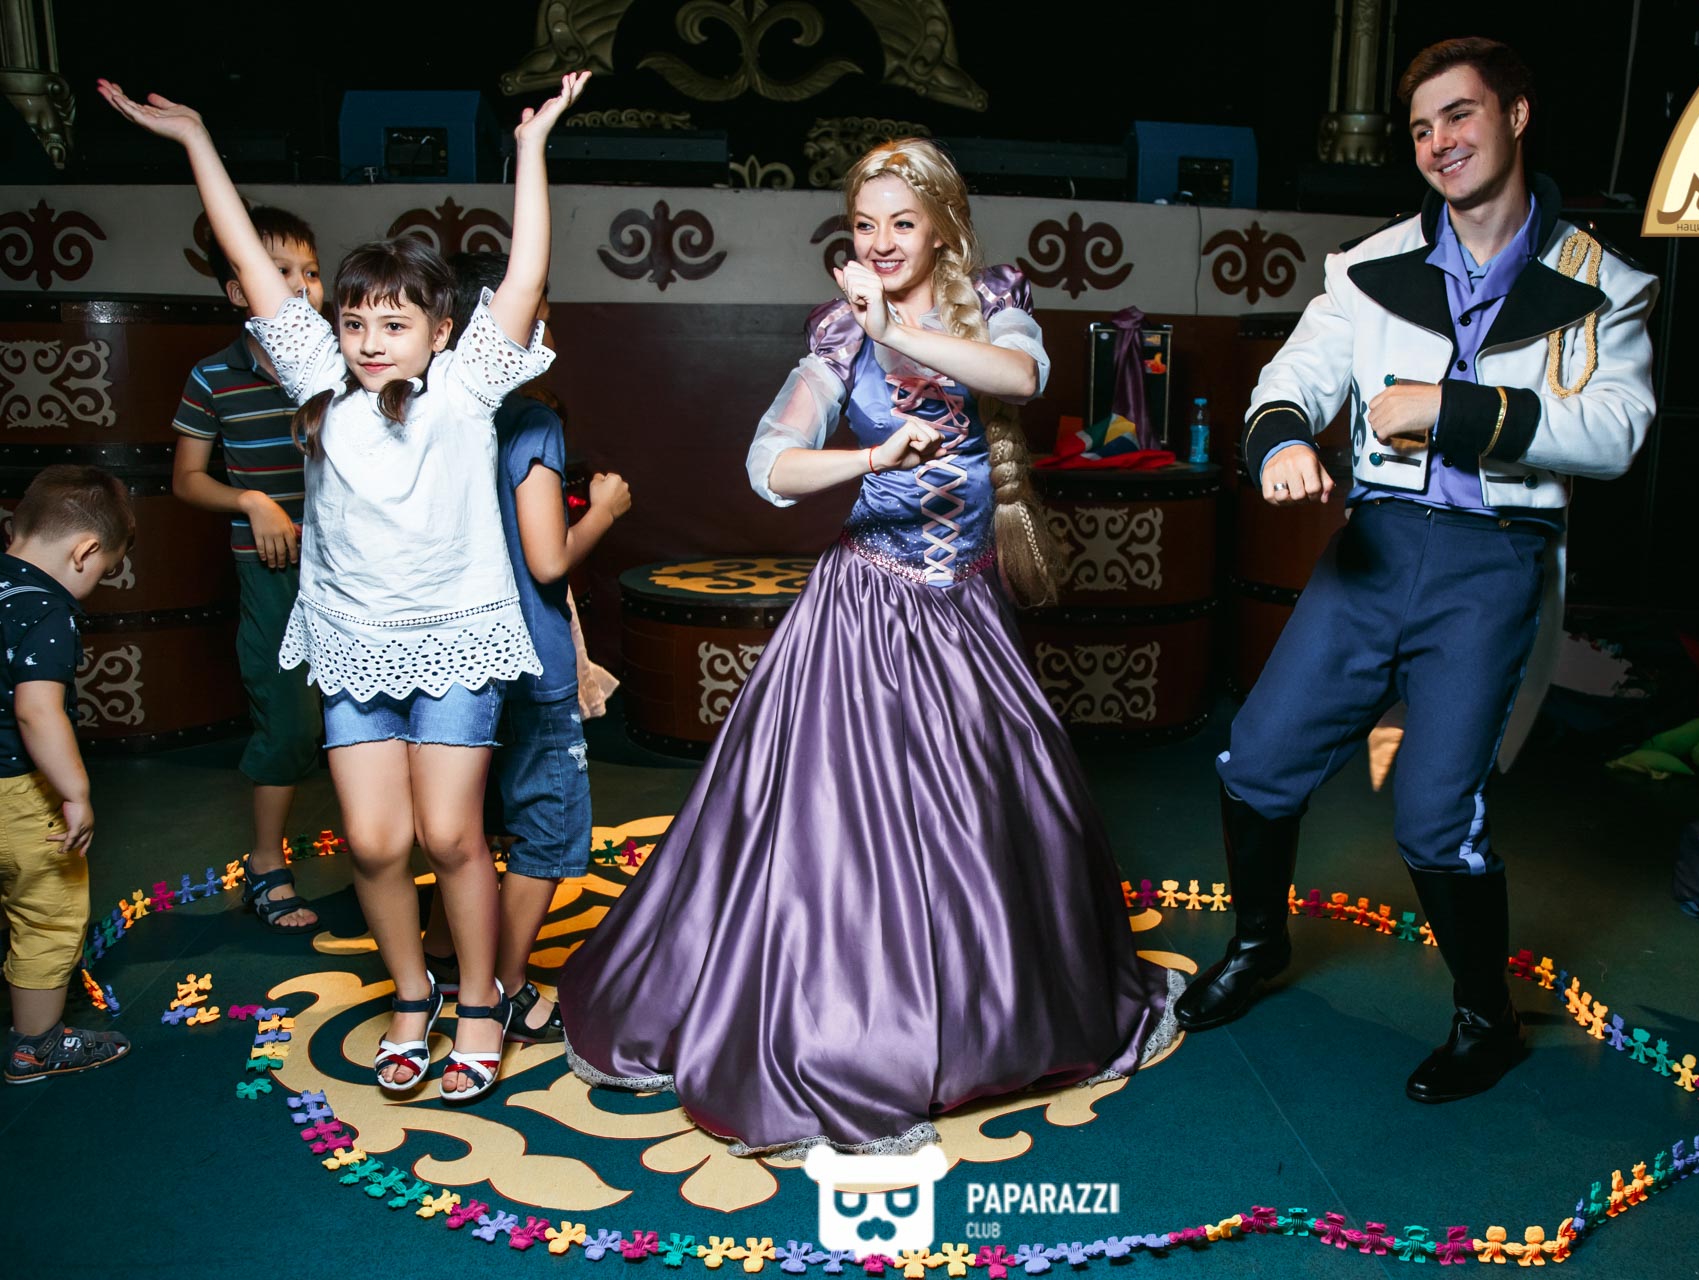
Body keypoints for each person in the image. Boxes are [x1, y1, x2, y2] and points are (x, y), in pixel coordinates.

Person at [561, 137, 1178, 1156]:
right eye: (863, 224)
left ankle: (988, 1017)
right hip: (863, 616)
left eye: (901, 221)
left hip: (967, 613)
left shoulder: (992, 303)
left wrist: (900, 328)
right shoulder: (838, 335)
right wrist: (870, 453)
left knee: (992, 820)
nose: (881, 241)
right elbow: (770, 465)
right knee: (839, 840)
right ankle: (853, 1028)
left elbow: (1022, 377)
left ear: (941, 224)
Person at [1176, 38, 1659, 1105]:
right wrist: (1282, 439)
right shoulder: (1369, 264)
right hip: (1377, 546)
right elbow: (1294, 375)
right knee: (1256, 760)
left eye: (1461, 114)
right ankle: (1258, 946)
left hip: (1494, 562)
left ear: (1517, 114)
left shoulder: (1604, 282)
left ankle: (1487, 1020)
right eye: (1422, 128)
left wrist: (1453, 409)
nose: (1440, 141)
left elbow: (1619, 430)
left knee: (1436, 814)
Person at [99, 70, 591, 1103]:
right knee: (373, 840)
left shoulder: (467, 390)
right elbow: (249, 260)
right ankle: (412, 996)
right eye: (356, 321)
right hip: (354, 641)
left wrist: (531, 147)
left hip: (455, 637)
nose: (370, 341)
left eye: (394, 324)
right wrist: (195, 137)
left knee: (451, 833)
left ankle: (479, 1004)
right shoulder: (319, 382)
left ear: (440, 332)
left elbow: (528, 271)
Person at [418, 251, 632, 1045]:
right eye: (537, 309)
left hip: (449, 659)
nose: (547, 323)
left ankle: (444, 955)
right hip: (529, 661)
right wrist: (603, 510)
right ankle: (504, 985)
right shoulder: (530, 421)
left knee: (466, 819)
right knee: (546, 824)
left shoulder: (424, 415)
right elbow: (546, 560)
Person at [170, 204, 328, 935]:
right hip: (273, 571)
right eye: (278, 271)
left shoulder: (343, 364)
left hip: (356, 570)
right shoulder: (213, 376)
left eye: (310, 272)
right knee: (289, 722)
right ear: (239, 290)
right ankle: (267, 865)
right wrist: (251, 500)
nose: (300, 286)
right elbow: (186, 480)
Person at [1, 465, 136, 1083]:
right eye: (103, 570)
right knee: (47, 911)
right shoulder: (48, 610)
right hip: (17, 789)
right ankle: (35, 1045)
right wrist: (75, 792)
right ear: (84, 552)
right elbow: (36, 709)